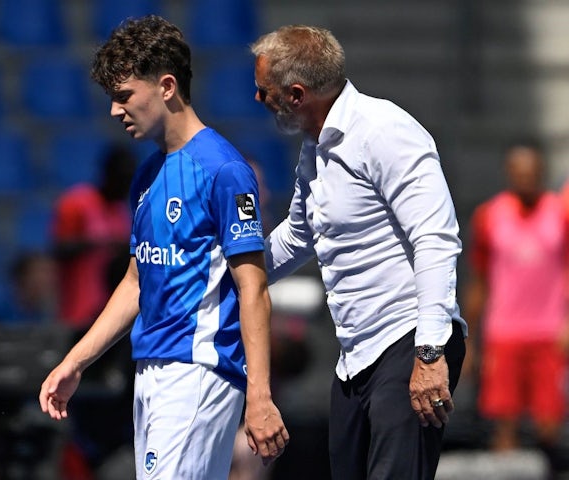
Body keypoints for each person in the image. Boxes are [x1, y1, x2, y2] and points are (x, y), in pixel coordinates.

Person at [39, 15, 288, 480]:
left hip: (198, 371)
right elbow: (137, 280)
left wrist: (260, 394)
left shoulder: (225, 171)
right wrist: (75, 363)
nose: (115, 110)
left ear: (167, 86)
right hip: (150, 369)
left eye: (125, 95)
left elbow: (253, 290)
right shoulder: (147, 176)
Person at [250, 25, 467, 479]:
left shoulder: (384, 130)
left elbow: (435, 238)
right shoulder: (315, 148)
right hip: (356, 357)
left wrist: (429, 354)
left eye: (262, 91)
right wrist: (228, 272)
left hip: (408, 341)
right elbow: (298, 235)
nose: (257, 100)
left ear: (296, 94)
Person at [464, 140, 569, 474]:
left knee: (548, 424)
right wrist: (469, 341)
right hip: (504, 335)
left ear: (541, 173)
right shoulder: (489, 217)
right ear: (509, 174)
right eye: (519, 173)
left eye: (532, 173)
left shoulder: (560, 215)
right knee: (503, 423)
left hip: (549, 335)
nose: (525, 180)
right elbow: (479, 282)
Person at [51, 143, 137, 331]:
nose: (126, 186)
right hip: (78, 312)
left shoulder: (122, 211)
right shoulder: (76, 202)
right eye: (122, 179)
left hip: (110, 313)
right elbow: (59, 249)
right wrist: (95, 244)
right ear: (108, 174)